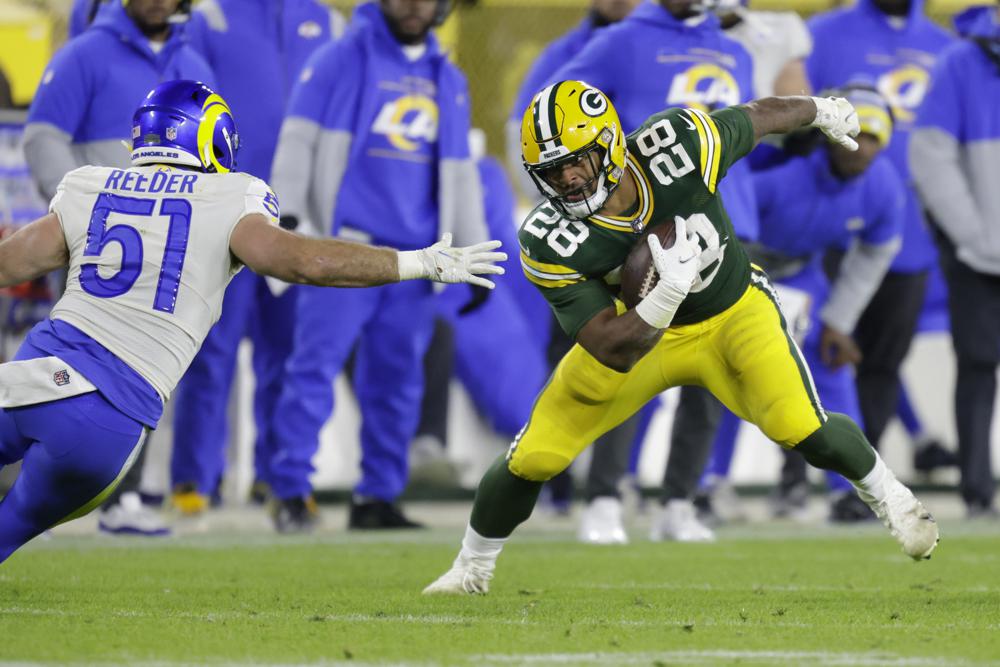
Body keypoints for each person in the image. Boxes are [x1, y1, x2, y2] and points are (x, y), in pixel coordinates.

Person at [423, 81, 939, 595]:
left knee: (801, 424)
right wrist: (665, 294)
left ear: (611, 145)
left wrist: (819, 109)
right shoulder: (549, 240)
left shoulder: (679, 143)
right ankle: (471, 567)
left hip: (732, 313)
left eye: (577, 160)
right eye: (552, 171)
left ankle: (893, 499)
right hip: (636, 337)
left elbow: (758, 116)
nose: (568, 179)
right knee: (535, 456)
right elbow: (608, 345)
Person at [0, 80, 504, 564]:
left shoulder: (89, 185)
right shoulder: (230, 197)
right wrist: (417, 262)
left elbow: (10, 263)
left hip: (40, 379)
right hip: (113, 430)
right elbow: (304, 261)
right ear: (209, 135)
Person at [266, 0, 488, 531]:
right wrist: (287, 219)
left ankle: (377, 498)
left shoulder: (449, 78)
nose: (413, 5)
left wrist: (473, 248)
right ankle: (291, 492)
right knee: (312, 372)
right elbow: (297, 140)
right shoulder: (338, 58)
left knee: (396, 382)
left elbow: (460, 172)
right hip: (343, 250)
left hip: (416, 260)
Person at [547, 0, 758, 544]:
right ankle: (602, 498)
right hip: (647, 230)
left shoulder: (735, 49)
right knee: (629, 365)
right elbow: (549, 117)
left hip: (725, 224)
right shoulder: (623, 39)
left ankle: (680, 501)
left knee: (715, 370)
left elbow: (740, 138)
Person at [24, 0, 213, 536]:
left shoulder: (196, 62)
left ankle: (121, 496)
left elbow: (216, 156)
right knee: (69, 364)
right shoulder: (85, 53)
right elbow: (43, 136)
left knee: (148, 370)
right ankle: (46, 484)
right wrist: (81, 214)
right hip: (102, 249)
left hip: (172, 248)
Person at [166, 0, 345, 518]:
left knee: (289, 355)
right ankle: (195, 481)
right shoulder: (210, 17)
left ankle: (275, 477)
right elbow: (188, 112)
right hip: (226, 217)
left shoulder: (330, 22)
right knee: (209, 352)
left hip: (296, 220)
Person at [700, 86, 905, 523]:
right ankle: (707, 483)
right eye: (855, 135)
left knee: (829, 367)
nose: (860, 147)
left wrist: (838, 320)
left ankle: (854, 488)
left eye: (873, 137)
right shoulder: (785, 174)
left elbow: (875, 253)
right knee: (730, 369)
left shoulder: (883, 188)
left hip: (803, 273)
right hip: (743, 265)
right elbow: (725, 213)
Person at [806, 0, 954, 520]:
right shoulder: (819, 35)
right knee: (811, 355)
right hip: (825, 235)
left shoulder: (947, 48)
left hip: (909, 238)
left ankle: (860, 486)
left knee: (882, 367)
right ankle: (803, 481)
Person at [505, 0, 642, 535]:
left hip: (643, 224)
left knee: (635, 359)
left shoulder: (666, 43)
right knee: (569, 356)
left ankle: (608, 484)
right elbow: (527, 136)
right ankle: (554, 471)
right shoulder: (567, 55)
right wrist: (558, 213)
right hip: (582, 232)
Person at [910, 4, 1000, 518]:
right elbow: (930, 155)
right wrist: (977, 234)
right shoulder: (957, 64)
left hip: (977, 245)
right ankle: (978, 493)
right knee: (978, 367)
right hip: (976, 255)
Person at [505, 0, 642, 200]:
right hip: (599, 198)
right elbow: (522, 126)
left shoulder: (679, 44)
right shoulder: (565, 53)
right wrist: (551, 198)